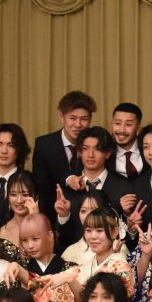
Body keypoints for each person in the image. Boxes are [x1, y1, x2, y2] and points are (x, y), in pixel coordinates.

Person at [2, 213, 78, 302]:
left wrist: (70, 279)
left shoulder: (70, 269)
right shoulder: (18, 270)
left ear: (50, 235)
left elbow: (84, 301)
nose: (30, 246)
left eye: (35, 239)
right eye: (24, 240)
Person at [31, 90, 97, 227]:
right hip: (53, 219)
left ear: (90, 120)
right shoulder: (44, 145)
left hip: (91, 220)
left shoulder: (96, 145)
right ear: (62, 117)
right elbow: (41, 189)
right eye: (72, 118)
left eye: (84, 119)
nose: (78, 124)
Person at [0, 170, 42, 265]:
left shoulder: (45, 227)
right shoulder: (0, 233)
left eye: (25, 195)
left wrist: (36, 220)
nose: (19, 200)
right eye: (13, 194)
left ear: (36, 197)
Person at [61, 188, 113, 265]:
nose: (88, 215)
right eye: (83, 211)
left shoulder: (117, 247)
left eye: (94, 210)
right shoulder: (71, 251)